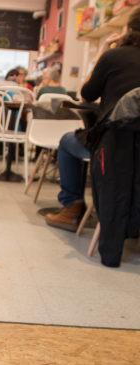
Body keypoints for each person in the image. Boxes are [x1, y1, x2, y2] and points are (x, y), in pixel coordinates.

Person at [45, 8, 140, 256]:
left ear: (130, 29)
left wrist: (102, 54)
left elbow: (86, 95)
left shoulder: (115, 57)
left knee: (67, 141)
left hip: (115, 145)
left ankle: (72, 208)